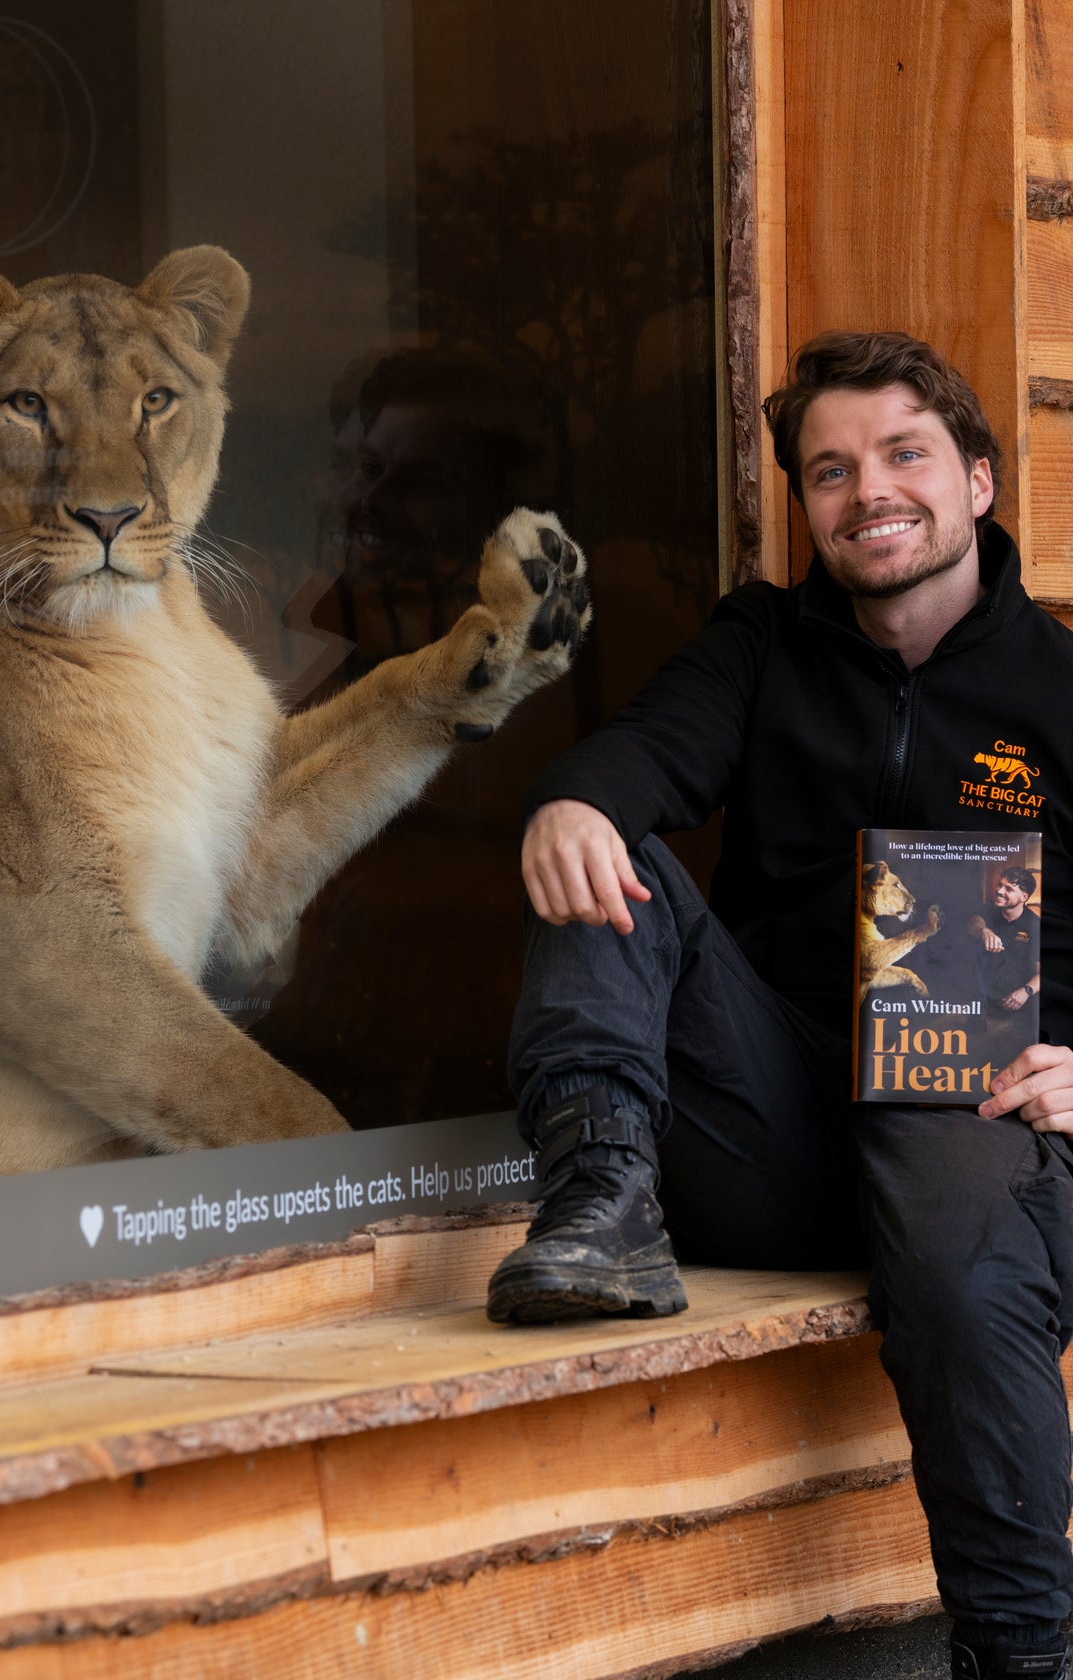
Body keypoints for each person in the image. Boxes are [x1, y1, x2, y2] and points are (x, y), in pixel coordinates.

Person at [487, 331, 1073, 1680]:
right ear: (806, 504)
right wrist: (572, 800)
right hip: (780, 1121)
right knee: (611, 859)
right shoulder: (761, 643)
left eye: (905, 454)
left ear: (978, 480)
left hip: (981, 1120)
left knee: (960, 1239)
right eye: (830, 469)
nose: (869, 490)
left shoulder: (1062, 688)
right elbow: (643, 752)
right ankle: (599, 1204)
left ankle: (1017, 1657)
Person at [970, 866, 1042, 1016]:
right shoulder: (989, 910)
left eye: (1008, 889)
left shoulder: (1034, 925)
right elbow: (973, 922)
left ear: (1024, 897)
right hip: (981, 1003)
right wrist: (984, 931)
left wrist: (1026, 991)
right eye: (1000, 885)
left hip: (1016, 1003)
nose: (1000, 891)